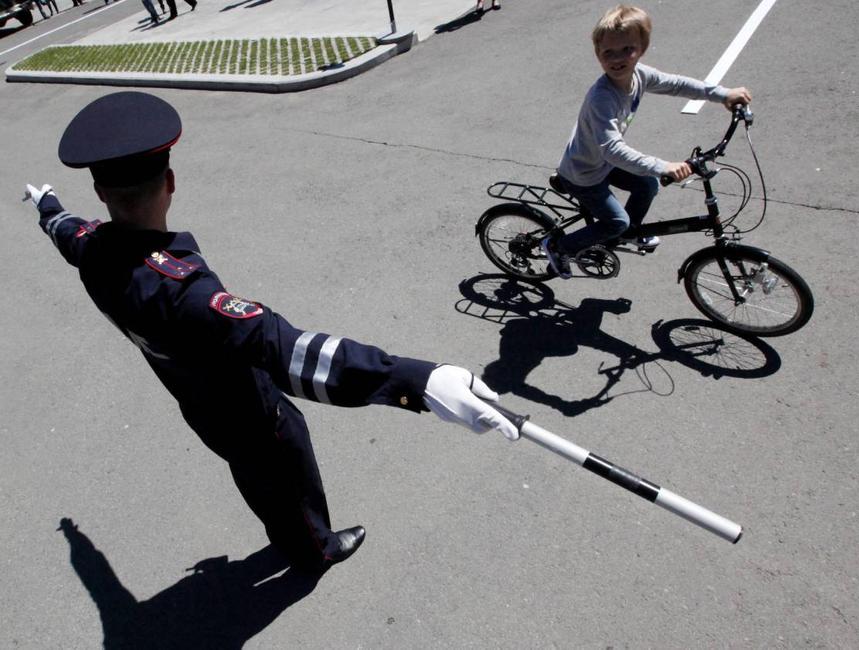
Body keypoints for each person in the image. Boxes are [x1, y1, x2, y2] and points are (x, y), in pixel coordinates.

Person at [26, 91, 518, 573]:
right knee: (286, 472)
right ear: (170, 181)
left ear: (101, 192)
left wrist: (47, 205)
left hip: (197, 402)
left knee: (255, 477)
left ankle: (288, 533)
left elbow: (64, 229)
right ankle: (314, 550)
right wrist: (420, 382)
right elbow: (291, 351)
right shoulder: (183, 292)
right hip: (248, 408)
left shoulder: (92, 248)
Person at [542, 4, 751, 279]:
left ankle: (628, 234)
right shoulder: (602, 98)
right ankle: (559, 246)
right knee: (616, 220)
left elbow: (677, 84)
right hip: (583, 173)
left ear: (642, 49)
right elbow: (612, 150)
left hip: (603, 163)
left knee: (647, 185)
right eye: (608, 52)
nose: (617, 59)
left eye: (627, 50)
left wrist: (723, 94)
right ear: (598, 55)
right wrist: (663, 165)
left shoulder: (639, 75)